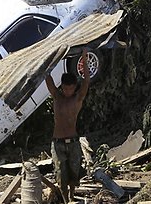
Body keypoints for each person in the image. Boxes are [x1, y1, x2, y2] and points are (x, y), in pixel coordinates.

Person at [45, 48, 90, 203]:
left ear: (74, 87)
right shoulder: (57, 98)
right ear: (62, 87)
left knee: (74, 171)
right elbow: (48, 79)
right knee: (61, 174)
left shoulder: (78, 99)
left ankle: (71, 195)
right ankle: (65, 199)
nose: (67, 91)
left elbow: (86, 81)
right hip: (57, 143)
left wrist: (84, 58)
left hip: (73, 142)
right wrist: (47, 58)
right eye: (65, 88)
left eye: (70, 88)